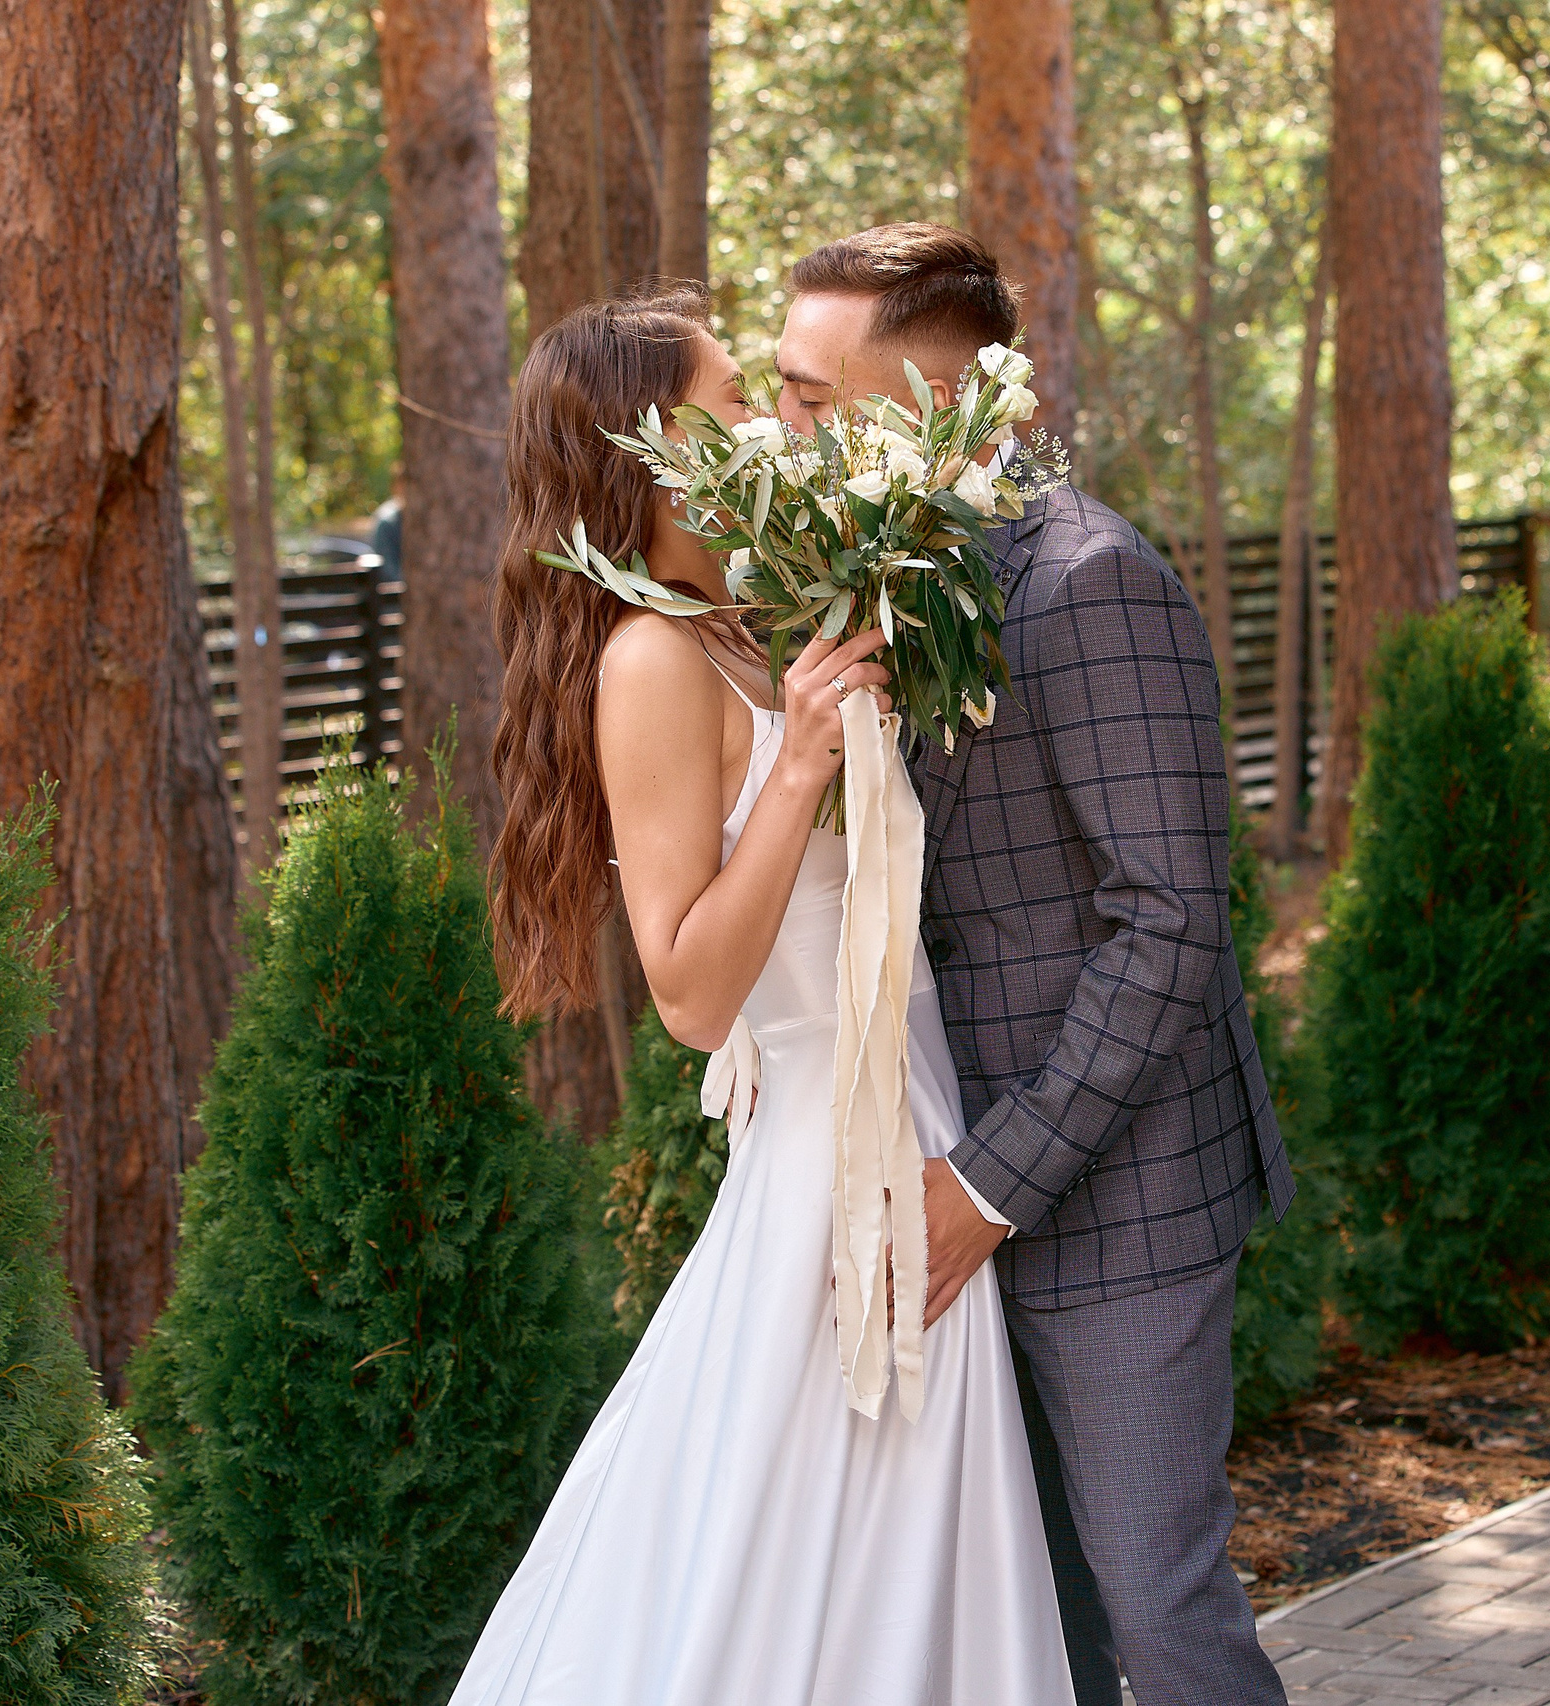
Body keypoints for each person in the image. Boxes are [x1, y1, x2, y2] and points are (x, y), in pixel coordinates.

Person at [449, 284, 1069, 1704]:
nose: (763, 431)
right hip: (828, 1164)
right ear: (651, 447)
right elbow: (685, 988)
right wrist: (798, 770)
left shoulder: (737, 621)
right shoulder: (652, 658)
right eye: (733, 404)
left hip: (907, 1110)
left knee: (895, 1547)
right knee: (799, 1546)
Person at [775, 224, 1294, 1705]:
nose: (782, 428)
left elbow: (1172, 924)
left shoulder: (1088, 584)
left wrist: (987, 1187)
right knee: (1031, 1624)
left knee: (1156, 1608)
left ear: (941, 409)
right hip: (945, 1164)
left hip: (1115, 1191)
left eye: (817, 402)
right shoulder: (878, 583)